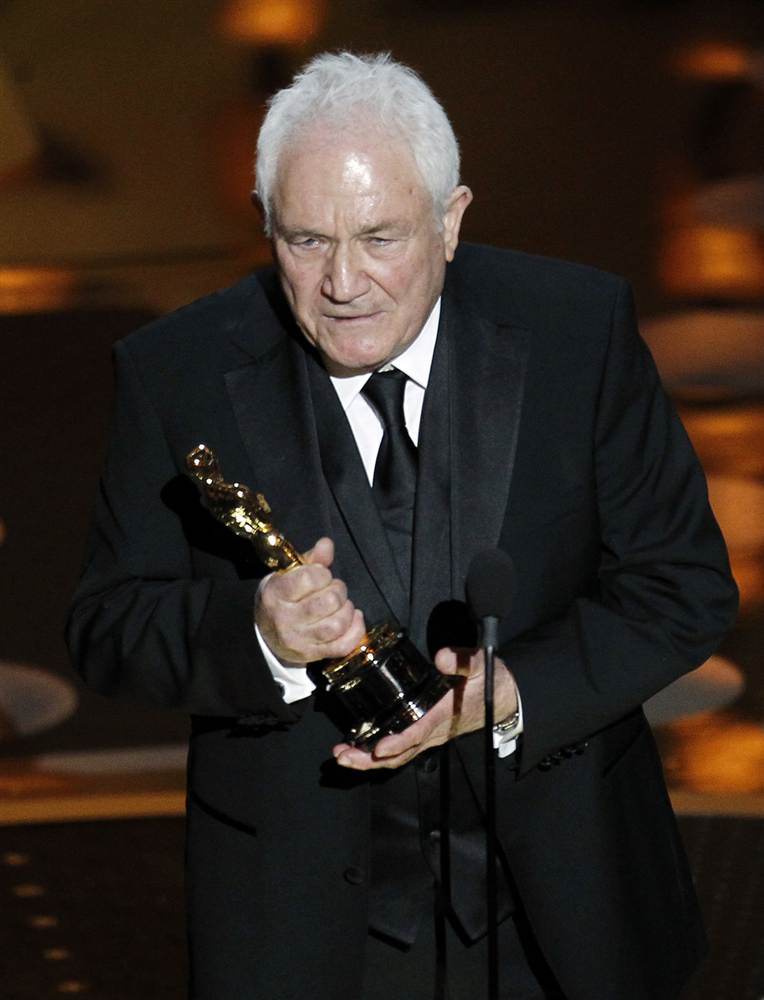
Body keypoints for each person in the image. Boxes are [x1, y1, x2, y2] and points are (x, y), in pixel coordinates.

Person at [66, 52, 737, 1000]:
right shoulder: (174, 371)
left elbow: (683, 586)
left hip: (566, 911)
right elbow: (107, 624)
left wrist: (517, 691)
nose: (344, 282)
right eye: (306, 240)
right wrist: (256, 634)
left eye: (380, 237)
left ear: (451, 220)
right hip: (300, 927)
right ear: (264, 222)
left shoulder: (577, 330)